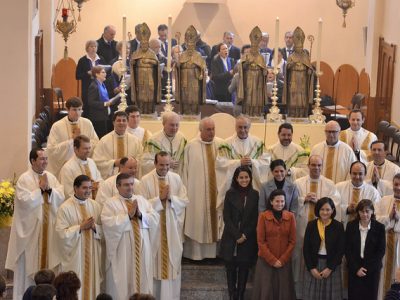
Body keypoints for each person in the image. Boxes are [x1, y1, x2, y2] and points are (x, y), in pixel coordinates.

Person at [5, 148, 64, 300]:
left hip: (48, 230)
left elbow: (60, 195)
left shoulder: (51, 177)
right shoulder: (25, 179)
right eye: (42, 159)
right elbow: (24, 202)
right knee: (29, 268)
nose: (45, 161)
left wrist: (49, 189)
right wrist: (39, 189)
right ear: (33, 161)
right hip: (32, 233)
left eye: (46, 158)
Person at [138, 151, 188, 300]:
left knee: (171, 266)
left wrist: (171, 199)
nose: (165, 168)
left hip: (172, 230)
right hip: (154, 231)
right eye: (161, 165)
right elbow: (142, 206)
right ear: (155, 164)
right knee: (154, 265)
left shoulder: (176, 178)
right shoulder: (145, 181)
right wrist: (159, 199)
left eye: (167, 164)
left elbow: (184, 201)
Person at [101, 173, 159, 298]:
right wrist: (128, 216)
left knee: (142, 280)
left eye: (132, 184)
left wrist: (140, 215)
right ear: (118, 186)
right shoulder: (110, 203)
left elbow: (155, 218)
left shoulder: (142, 200)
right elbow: (108, 223)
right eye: (126, 185)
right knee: (123, 281)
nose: (130, 187)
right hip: (122, 251)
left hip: (142, 250)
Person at [293, 155, 340, 298]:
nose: (316, 168)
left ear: (322, 166)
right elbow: (291, 203)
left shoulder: (330, 184)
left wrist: (319, 202)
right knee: (301, 256)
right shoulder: (297, 183)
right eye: (313, 165)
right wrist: (303, 199)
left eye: (319, 165)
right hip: (302, 226)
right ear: (308, 165)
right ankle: (300, 292)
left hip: (324, 228)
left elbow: (335, 204)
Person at [55, 175, 103, 300]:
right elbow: (60, 234)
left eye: (90, 188)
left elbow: (104, 231)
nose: (88, 191)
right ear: (75, 188)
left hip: (92, 256)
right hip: (75, 256)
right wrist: (80, 227)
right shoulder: (65, 207)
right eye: (84, 188)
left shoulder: (95, 206)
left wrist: (95, 227)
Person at [182, 117, 224, 260]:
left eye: (213, 129)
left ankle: (214, 255)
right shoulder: (190, 146)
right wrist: (185, 193)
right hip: (195, 194)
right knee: (197, 221)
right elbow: (184, 171)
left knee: (215, 222)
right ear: (200, 130)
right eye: (208, 129)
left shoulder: (221, 145)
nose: (211, 132)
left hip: (217, 192)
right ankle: (195, 255)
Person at [219, 166, 258, 300]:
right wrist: (237, 235)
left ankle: (240, 296)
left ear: (250, 178)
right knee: (230, 270)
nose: (244, 180)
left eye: (246, 177)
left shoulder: (255, 194)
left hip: (247, 239)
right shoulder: (230, 193)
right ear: (236, 178)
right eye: (241, 177)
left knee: (243, 269)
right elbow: (226, 217)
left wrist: (245, 235)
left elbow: (255, 219)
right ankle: (232, 296)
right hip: (231, 238)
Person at [252, 189, 296, 300]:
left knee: (284, 290)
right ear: (271, 201)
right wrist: (272, 260)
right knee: (266, 289)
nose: (280, 204)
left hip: (283, 261)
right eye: (277, 201)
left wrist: (282, 260)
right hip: (265, 260)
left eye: (282, 201)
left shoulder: (291, 217)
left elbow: (292, 241)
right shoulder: (263, 216)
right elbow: (261, 241)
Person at [302, 197, 345, 300]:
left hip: (331, 265)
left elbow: (341, 250)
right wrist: (311, 268)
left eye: (328, 209)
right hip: (314, 263)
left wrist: (330, 268)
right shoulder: (311, 225)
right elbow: (306, 248)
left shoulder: (338, 226)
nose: (325, 212)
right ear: (317, 210)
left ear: (332, 210)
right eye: (322, 209)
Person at [46, 97, 99, 178]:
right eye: (74, 109)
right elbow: (51, 149)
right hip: (65, 168)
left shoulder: (87, 123)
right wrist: (71, 141)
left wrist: (83, 147)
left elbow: (96, 143)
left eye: (79, 109)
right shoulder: (57, 126)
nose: (77, 113)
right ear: (67, 109)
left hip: (84, 164)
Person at [216, 115, 270, 193]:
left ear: (249, 127)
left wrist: (252, 162)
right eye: (240, 127)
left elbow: (266, 162)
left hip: (253, 187)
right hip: (233, 186)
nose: (243, 130)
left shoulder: (258, 143)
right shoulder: (226, 144)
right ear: (235, 127)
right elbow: (220, 164)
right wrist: (238, 162)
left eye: (245, 127)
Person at [345, 199, 386, 300]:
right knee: (354, 296)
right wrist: (356, 269)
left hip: (372, 270)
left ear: (372, 212)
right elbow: (347, 249)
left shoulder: (380, 227)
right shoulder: (350, 226)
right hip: (355, 269)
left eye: (367, 211)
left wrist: (366, 269)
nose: (364, 214)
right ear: (358, 212)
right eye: (361, 211)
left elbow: (380, 251)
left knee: (370, 297)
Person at [93, 111, 142, 179]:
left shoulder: (135, 141)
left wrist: (131, 164)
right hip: (110, 180)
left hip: (130, 179)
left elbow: (141, 158)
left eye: (124, 120)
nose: (121, 123)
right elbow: (97, 161)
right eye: (118, 120)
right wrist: (114, 163)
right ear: (113, 123)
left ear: (127, 122)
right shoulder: (104, 141)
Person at [376, 173, 400, 298]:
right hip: (384, 240)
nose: (398, 187)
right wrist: (389, 217)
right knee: (381, 275)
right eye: (396, 184)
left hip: (399, 244)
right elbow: (374, 219)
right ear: (392, 184)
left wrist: (398, 218)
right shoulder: (384, 200)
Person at [141, 111, 187, 176]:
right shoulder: (153, 141)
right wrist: (166, 164)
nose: (174, 128)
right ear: (163, 124)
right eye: (172, 125)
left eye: (177, 125)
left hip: (178, 178)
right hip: (160, 178)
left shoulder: (182, 139)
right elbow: (145, 164)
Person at [283, 26, 314, 117]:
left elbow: (310, 69)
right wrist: (292, 64)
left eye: (300, 48)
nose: (299, 49)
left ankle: (302, 115)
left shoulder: (305, 57)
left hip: (303, 81)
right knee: (293, 100)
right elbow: (287, 68)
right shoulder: (291, 56)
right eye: (297, 48)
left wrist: (309, 71)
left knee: (302, 100)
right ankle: (292, 115)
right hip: (293, 80)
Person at [175, 25, 207, 115]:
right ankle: (185, 113)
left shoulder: (198, 55)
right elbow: (177, 67)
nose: (190, 47)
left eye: (192, 45)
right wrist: (178, 65)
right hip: (184, 79)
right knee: (185, 97)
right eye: (188, 45)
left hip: (194, 78)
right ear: (186, 45)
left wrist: (201, 72)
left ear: (195, 45)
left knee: (194, 98)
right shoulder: (182, 55)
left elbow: (203, 67)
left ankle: (194, 113)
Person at [337, 161, 381, 225]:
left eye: (360, 174)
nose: (357, 177)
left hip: (364, 230)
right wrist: (347, 209)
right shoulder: (339, 187)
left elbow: (377, 212)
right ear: (350, 174)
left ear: (365, 174)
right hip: (343, 227)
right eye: (354, 174)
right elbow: (332, 208)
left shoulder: (373, 192)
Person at [237, 26, 268, 116]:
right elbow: (241, 68)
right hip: (249, 79)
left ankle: (256, 113)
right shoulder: (246, 56)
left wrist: (264, 72)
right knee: (249, 97)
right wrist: (247, 63)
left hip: (258, 80)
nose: (255, 49)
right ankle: (248, 113)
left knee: (257, 98)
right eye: (253, 47)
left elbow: (264, 69)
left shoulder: (261, 57)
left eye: (256, 47)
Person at [130, 22, 161, 114]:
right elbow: (133, 63)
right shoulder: (136, 53)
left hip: (150, 76)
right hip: (140, 76)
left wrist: (149, 61)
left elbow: (156, 63)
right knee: (141, 95)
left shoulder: (151, 53)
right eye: (142, 44)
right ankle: (141, 111)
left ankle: (150, 111)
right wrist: (133, 62)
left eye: (145, 44)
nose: (144, 45)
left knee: (150, 94)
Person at [76, 40, 106, 117]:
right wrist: (87, 73)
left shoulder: (101, 59)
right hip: (87, 88)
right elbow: (77, 75)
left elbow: (106, 73)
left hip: (99, 88)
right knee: (87, 108)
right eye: (91, 46)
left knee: (98, 107)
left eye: (95, 46)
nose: (93, 48)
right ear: (87, 48)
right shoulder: (82, 60)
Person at [87, 65, 117, 138]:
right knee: (101, 137)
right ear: (97, 74)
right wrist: (105, 104)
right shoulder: (94, 86)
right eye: (103, 72)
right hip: (98, 117)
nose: (105, 74)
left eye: (105, 72)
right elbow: (91, 102)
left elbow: (104, 97)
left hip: (104, 116)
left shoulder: (102, 84)